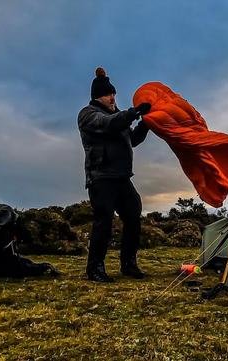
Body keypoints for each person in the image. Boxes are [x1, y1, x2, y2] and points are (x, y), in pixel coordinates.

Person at [77, 67, 151, 282]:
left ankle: (129, 264)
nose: (113, 97)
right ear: (98, 96)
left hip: (122, 177)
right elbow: (108, 125)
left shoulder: (117, 116)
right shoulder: (88, 114)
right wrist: (132, 112)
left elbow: (133, 140)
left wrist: (145, 123)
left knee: (133, 217)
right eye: (109, 94)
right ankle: (95, 269)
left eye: (114, 94)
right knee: (104, 221)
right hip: (101, 177)